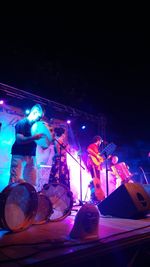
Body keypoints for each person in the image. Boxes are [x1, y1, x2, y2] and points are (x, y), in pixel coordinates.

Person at [9, 104, 45, 189]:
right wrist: (34, 137)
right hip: (19, 154)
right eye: (39, 117)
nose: (40, 119)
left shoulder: (36, 126)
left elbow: (43, 146)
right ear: (34, 112)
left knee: (32, 181)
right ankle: (9, 200)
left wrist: (47, 140)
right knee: (15, 179)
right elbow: (19, 140)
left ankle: (29, 200)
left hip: (31, 155)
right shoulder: (21, 123)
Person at [87, 135, 105, 203]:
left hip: (96, 166)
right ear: (98, 141)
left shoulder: (96, 148)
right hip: (93, 167)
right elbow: (89, 150)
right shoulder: (93, 145)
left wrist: (101, 158)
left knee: (96, 182)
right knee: (95, 182)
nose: (100, 143)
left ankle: (96, 197)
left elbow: (98, 159)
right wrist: (97, 156)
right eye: (100, 141)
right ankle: (94, 197)